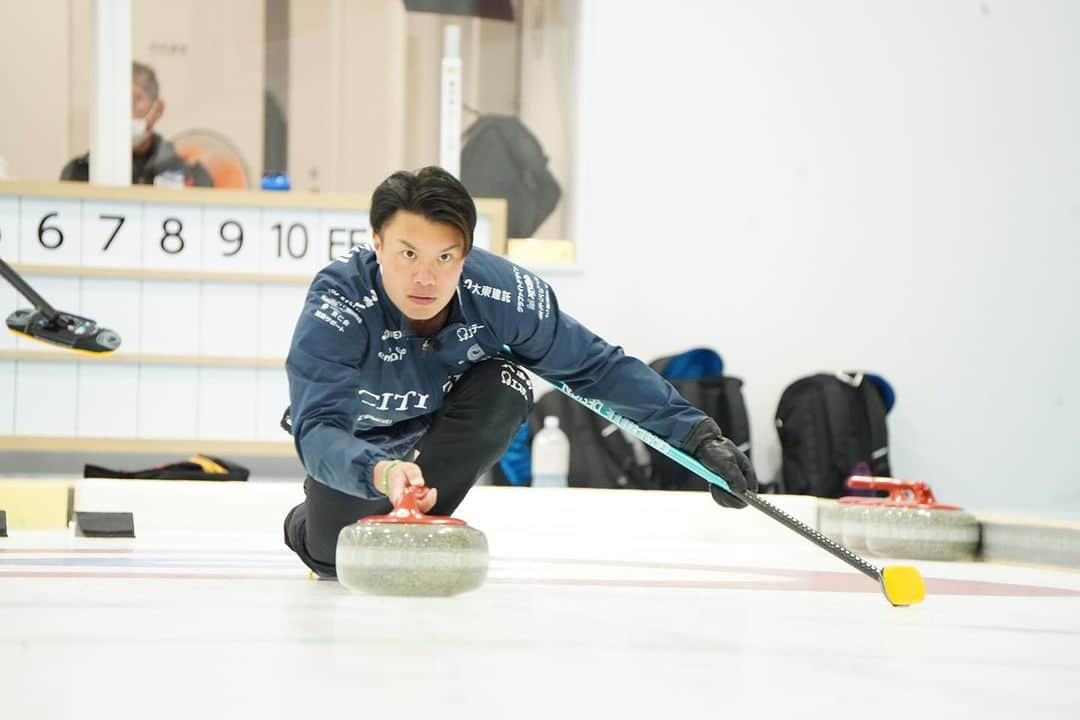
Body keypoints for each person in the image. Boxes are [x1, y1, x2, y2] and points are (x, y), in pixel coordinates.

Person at [282, 166, 757, 577]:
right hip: (361, 449)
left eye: (445, 257)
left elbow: (595, 367)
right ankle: (310, 522)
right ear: (378, 244)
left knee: (508, 383)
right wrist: (380, 472)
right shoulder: (340, 304)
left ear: (465, 253)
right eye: (408, 255)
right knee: (333, 560)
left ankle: (417, 526)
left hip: (438, 430)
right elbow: (318, 428)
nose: (425, 277)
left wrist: (696, 437)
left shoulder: (502, 296)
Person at [60, 61, 212, 187]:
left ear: (158, 109)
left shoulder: (189, 176)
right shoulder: (79, 172)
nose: (125, 109)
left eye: (135, 99)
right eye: (117, 100)